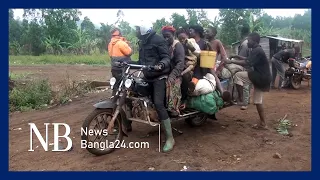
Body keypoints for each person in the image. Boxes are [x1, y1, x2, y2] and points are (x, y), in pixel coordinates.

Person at [130, 21, 175, 152]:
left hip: (159, 77)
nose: (136, 31)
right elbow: (140, 62)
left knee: (158, 103)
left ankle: (170, 138)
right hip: (147, 75)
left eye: (137, 29)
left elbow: (166, 58)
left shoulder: (158, 40)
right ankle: (125, 125)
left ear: (143, 29)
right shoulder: (143, 42)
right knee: (131, 93)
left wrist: (161, 65)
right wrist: (125, 62)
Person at [225, 32, 272, 130]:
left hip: (260, 77)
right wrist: (237, 56)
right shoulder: (256, 49)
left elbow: (247, 63)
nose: (247, 42)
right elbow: (248, 59)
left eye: (249, 40)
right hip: (262, 78)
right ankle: (263, 123)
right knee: (258, 101)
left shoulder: (257, 50)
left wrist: (232, 61)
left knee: (238, 75)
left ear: (254, 41)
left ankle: (241, 99)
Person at [188, 25, 224, 96]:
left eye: (191, 31)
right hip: (192, 64)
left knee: (212, 74)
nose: (189, 32)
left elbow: (210, 54)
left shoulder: (204, 43)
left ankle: (222, 92)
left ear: (197, 32)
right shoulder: (189, 42)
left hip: (203, 64)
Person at [161, 26, 185, 117]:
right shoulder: (164, 45)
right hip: (165, 72)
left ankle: (173, 109)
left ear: (173, 35)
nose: (166, 39)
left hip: (176, 73)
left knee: (172, 83)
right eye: (164, 36)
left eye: (168, 36)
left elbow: (180, 63)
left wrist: (172, 75)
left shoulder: (177, 46)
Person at [175, 28, 200, 108]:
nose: (182, 40)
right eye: (180, 39)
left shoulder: (192, 42)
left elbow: (198, 54)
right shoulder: (177, 45)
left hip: (190, 67)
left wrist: (191, 47)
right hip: (180, 65)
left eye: (183, 38)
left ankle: (184, 100)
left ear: (187, 36)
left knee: (184, 77)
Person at [108, 28, 133, 95]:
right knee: (124, 83)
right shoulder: (121, 43)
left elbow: (110, 55)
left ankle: (114, 96)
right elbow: (129, 52)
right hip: (122, 67)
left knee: (116, 82)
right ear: (119, 34)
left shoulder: (110, 43)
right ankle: (123, 97)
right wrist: (126, 43)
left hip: (114, 67)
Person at [237, 24, 252, 110]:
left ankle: (243, 101)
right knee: (248, 85)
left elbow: (243, 60)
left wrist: (232, 61)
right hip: (252, 68)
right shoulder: (249, 43)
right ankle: (247, 100)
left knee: (244, 82)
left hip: (248, 68)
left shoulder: (245, 44)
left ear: (241, 33)